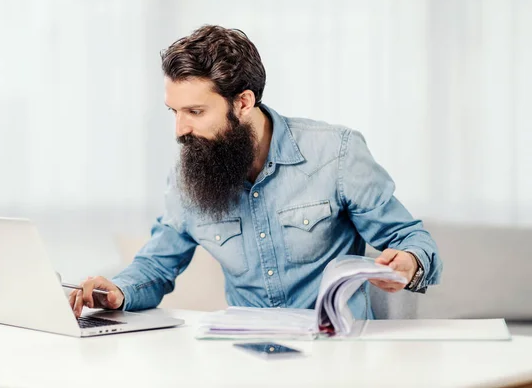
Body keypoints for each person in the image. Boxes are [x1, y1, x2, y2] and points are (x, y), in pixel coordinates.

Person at [69, 25, 442, 319]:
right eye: (174, 112)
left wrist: (408, 261)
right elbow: (156, 265)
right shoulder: (188, 176)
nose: (180, 130)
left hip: (337, 356)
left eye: (195, 112)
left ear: (243, 102)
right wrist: (117, 290)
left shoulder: (336, 153)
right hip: (244, 360)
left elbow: (412, 238)